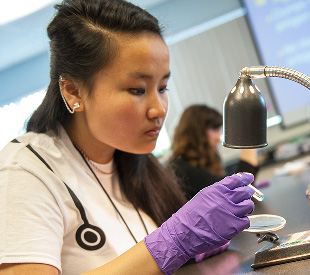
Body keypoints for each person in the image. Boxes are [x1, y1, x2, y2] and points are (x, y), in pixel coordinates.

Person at [0, 1, 255, 275]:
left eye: (163, 87)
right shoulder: (24, 171)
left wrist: (193, 249)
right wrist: (171, 243)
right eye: (137, 90)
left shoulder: (126, 157)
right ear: (73, 91)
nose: (158, 109)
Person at [169, 104, 259, 200]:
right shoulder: (182, 169)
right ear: (197, 132)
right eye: (214, 129)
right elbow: (237, 191)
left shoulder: (196, 162)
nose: (218, 138)